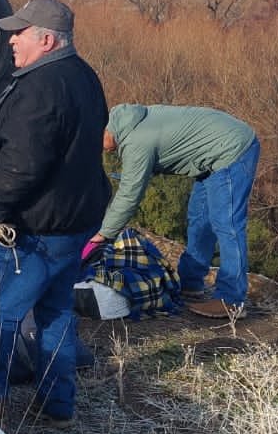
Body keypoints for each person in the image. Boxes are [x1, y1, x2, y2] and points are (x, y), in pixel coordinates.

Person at [0, 0, 110, 423]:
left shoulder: (39, 88)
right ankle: (58, 404)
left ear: (46, 40)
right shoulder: (84, 76)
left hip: (35, 230)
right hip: (74, 224)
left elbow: (21, 166)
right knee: (56, 311)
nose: (11, 41)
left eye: (19, 33)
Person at [91, 104, 259, 319]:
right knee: (199, 220)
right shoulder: (124, 123)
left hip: (232, 150)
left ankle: (231, 300)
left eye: (97, 140)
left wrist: (104, 234)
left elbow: (129, 195)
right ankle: (191, 284)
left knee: (227, 225)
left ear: (106, 130)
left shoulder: (137, 142)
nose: (102, 148)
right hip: (211, 155)